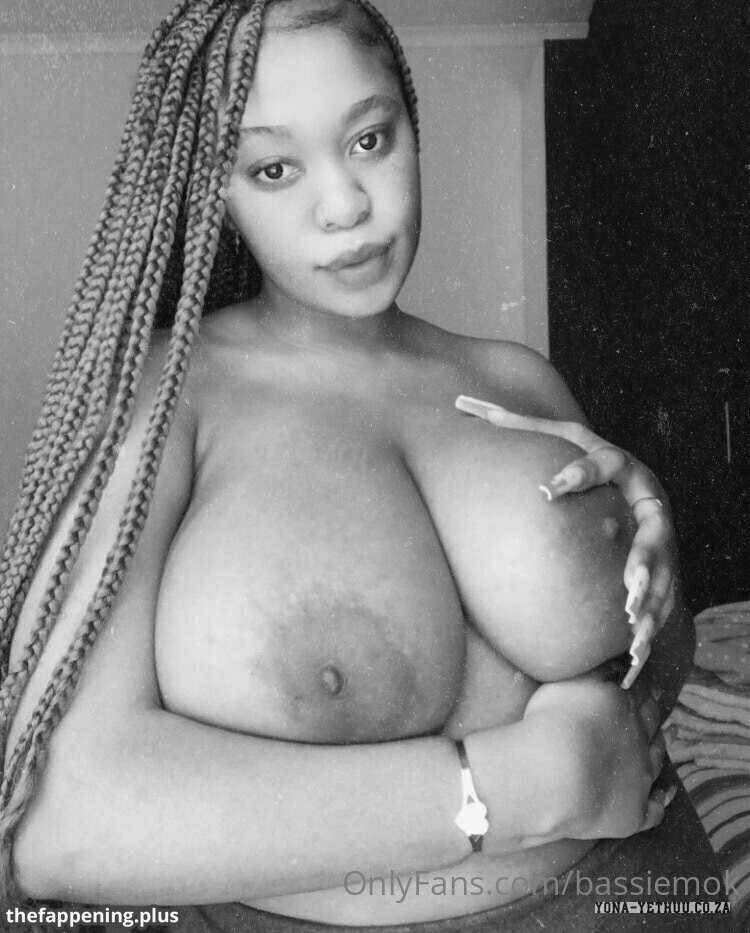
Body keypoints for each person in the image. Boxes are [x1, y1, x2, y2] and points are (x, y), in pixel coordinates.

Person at [0, 0, 729, 930]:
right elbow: (60, 825)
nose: (345, 204)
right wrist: (527, 784)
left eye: (370, 140)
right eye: (274, 168)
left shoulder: (517, 378)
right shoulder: (159, 402)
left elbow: (645, 679)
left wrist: (653, 542)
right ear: (215, 191)